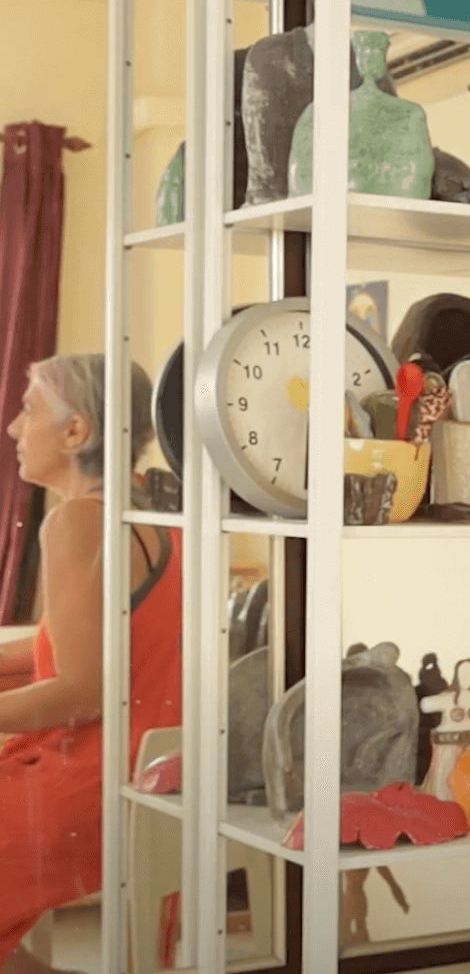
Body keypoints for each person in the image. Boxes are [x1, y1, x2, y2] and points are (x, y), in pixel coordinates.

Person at [0, 355, 180, 974]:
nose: (15, 430)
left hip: (95, 781)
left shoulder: (76, 523)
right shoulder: (150, 513)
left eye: (28, 411)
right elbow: (82, 647)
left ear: (76, 432)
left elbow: (84, 691)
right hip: (151, 773)